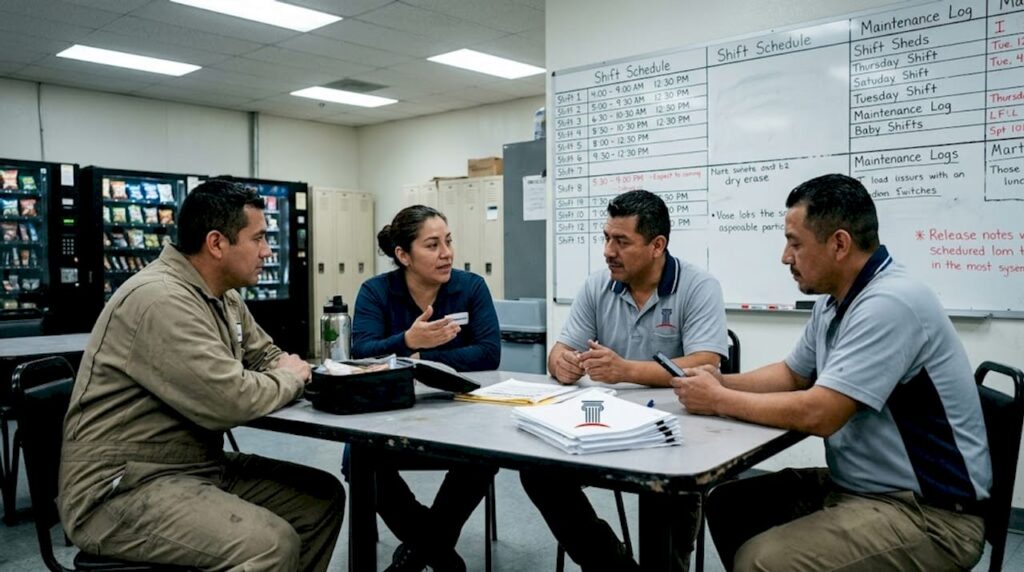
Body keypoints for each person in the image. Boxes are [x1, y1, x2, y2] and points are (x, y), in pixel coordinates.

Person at [675, 173, 991, 571]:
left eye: (795, 243)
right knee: (730, 505)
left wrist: (719, 399)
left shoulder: (890, 303)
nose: (785, 257)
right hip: (860, 489)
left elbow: (820, 414)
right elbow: (794, 374)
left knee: (763, 563)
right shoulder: (837, 299)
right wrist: (721, 382)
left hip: (931, 516)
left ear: (839, 243)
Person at [58, 180, 345, 571]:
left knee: (319, 500)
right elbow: (232, 399)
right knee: (266, 545)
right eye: (258, 238)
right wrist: (292, 378)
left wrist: (281, 371)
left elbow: (266, 355)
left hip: (192, 467)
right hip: (120, 487)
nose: (267, 251)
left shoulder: (223, 296)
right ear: (216, 243)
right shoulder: (161, 299)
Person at [521, 189, 728, 572]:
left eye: (621, 241)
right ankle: (611, 565)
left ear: (657, 245)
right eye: (606, 238)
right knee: (538, 472)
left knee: (672, 493)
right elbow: (559, 349)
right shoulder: (597, 285)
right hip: (603, 426)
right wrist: (561, 364)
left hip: (674, 432)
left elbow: (705, 363)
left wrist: (626, 370)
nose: (607, 251)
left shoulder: (699, 287)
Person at [350, 204, 500, 572]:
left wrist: (422, 355)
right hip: (392, 413)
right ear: (403, 255)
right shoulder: (376, 292)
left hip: (457, 411)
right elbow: (361, 351)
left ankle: (417, 554)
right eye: (432, 245)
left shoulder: (471, 287)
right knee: (356, 458)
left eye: (448, 242)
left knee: (485, 457)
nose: (447, 253)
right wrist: (408, 339)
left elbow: (489, 352)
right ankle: (437, 551)